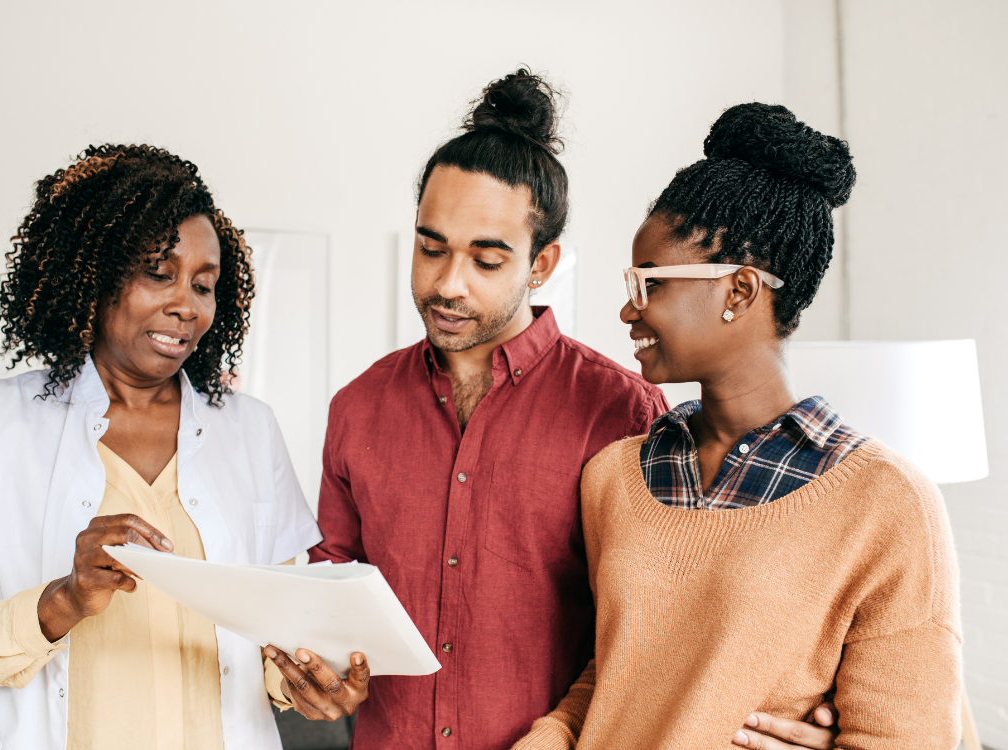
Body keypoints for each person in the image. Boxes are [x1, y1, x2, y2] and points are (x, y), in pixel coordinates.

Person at [266, 71, 842, 750]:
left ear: (541, 265)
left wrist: (801, 709)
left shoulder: (625, 412)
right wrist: (315, 673)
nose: (446, 284)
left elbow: (673, 629)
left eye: (486, 259)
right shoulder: (358, 408)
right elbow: (333, 588)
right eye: (430, 248)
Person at [513, 103, 963, 749]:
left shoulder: (888, 503)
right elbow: (612, 678)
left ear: (739, 291)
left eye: (649, 284)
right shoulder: (612, 476)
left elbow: (906, 738)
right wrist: (550, 737)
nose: (625, 310)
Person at [0, 145, 321, 750]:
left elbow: (280, 637)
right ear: (92, 275)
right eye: (158, 274)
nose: (186, 306)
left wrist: (304, 683)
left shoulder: (251, 430)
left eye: (204, 284)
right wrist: (61, 601)